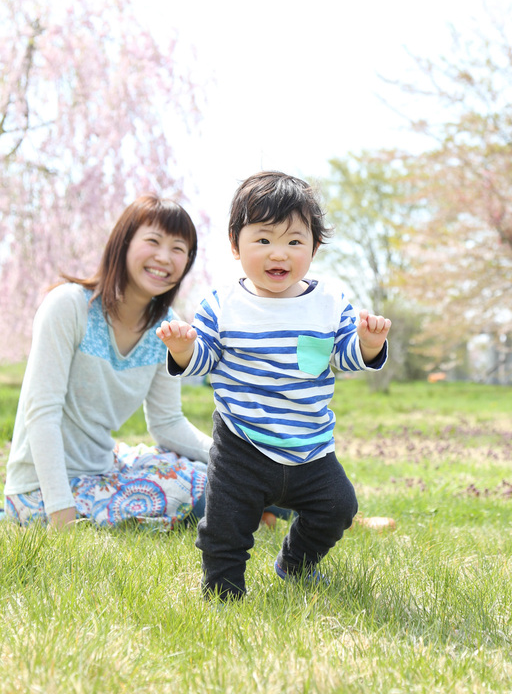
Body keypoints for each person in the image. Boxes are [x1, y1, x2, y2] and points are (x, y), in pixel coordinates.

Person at [156, 171, 392, 599]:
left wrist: (370, 343)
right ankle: (223, 591)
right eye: (263, 240)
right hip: (242, 443)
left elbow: (345, 356)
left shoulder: (329, 303)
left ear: (314, 248)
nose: (278, 253)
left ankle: (295, 564)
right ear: (235, 245)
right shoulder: (222, 304)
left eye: (294, 241)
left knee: (338, 508)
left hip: (310, 445)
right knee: (225, 525)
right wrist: (183, 350)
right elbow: (204, 359)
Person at [4, 193, 212, 531]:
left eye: (178, 248)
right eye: (153, 241)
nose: (164, 257)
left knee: (215, 473)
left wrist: (231, 457)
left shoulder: (167, 327)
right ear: (124, 243)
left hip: (105, 468)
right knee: (202, 488)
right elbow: (41, 411)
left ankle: (280, 496)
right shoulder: (69, 306)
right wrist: (60, 512)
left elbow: (167, 422)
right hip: (41, 489)